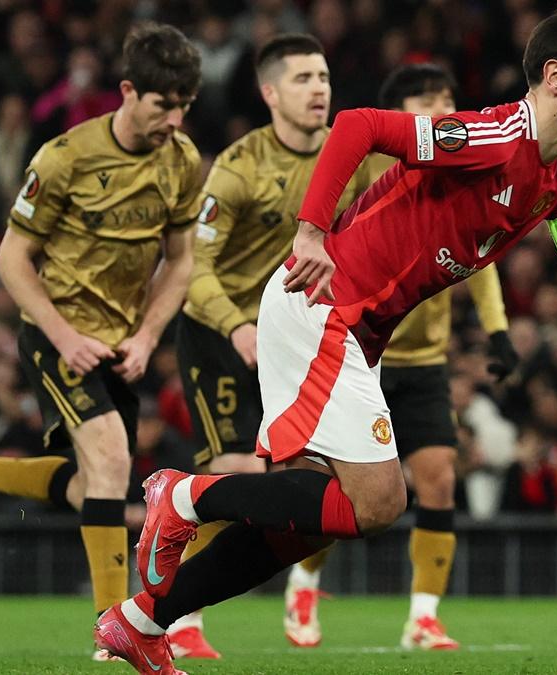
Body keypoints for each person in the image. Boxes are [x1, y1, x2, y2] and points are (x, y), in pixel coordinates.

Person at [95, 10, 557, 674]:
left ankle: (140, 622)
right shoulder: (489, 136)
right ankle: (185, 496)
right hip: (322, 307)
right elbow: (359, 125)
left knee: (302, 524)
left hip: (355, 330)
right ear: (556, 76)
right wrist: (310, 231)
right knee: (380, 501)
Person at [0, 22, 202, 660]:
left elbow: (182, 261)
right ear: (128, 91)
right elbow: (12, 259)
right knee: (110, 460)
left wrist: (147, 335)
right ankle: (116, 629)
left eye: (185, 105)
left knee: (90, 488)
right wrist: (62, 334)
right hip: (56, 334)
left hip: (121, 344)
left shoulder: (182, 161)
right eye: (165, 105)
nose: (175, 120)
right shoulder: (64, 158)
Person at [281, 62, 518, 651]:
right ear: (399, 106)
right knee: (338, 485)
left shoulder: (465, 161)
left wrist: (498, 330)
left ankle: (424, 616)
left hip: (425, 357)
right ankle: (304, 582)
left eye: (447, 95)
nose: (442, 105)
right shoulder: (373, 164)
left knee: (438, 477)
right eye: (426, 96)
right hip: (358, 345)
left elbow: (481, 253)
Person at [167, 33, 374, 659]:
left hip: (302, 338)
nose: (319, 88)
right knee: (234, 470)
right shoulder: (237, 167)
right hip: (223, 334)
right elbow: (191, 270)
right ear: (270, 93)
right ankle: (180, 617)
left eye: (324, 76)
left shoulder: (352, 157)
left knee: (326, 476)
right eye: (304, 78)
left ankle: (300, 587)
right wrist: (235, 324)